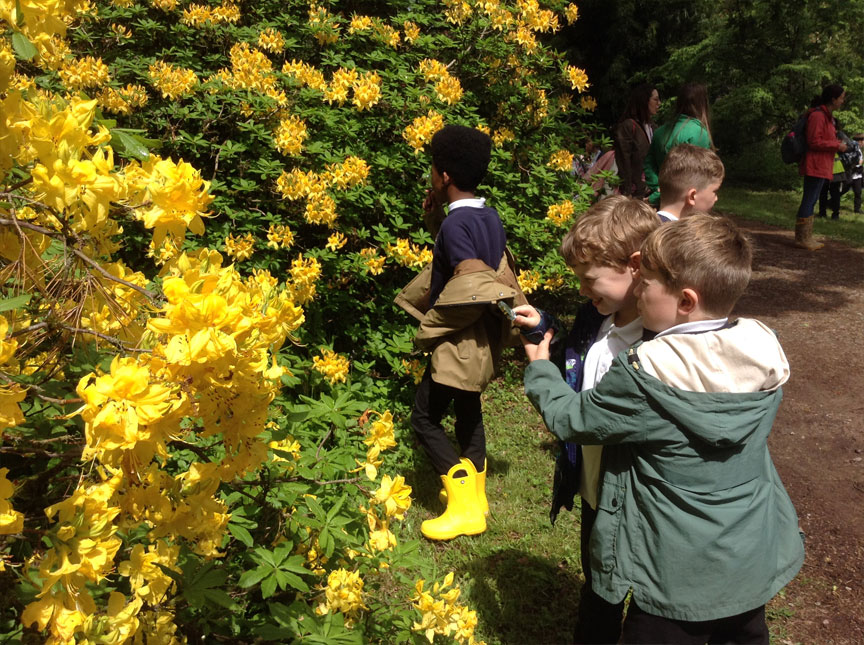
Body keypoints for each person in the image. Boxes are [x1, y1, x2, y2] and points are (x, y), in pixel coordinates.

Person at [521, 214, 804, 644]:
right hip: (746, 551)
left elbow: (571, 420)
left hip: (673, 568)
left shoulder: (646, 375)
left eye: (646, 282)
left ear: (686, 301)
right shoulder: (761, 353)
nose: (638, 287)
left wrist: (541, 369)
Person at [512, 195, 659, 644]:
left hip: (636, 499)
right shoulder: (599, 316)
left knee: (644, 599)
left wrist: (539, 372)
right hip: (595, 487)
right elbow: (579, 354)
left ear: (635, 266)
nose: (581, 291)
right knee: (598, 584)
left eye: (589, 279)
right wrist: (544, 327)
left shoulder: (658, 345)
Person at [394, 124, 526, 541]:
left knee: (424, 419)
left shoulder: (455, 227)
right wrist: (435, 213)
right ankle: (480, 497)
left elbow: (468, 285)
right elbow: (465, 255)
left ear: (444, 175)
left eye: (433, 168)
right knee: (469, 413)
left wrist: (431, 330)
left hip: (458, 339)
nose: (430, 174)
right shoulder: (488, 217)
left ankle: (464, 505)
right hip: (482, 339)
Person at [794, 84, 847, 249]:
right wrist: (836, 145)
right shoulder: (818, 116)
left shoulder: (827, 116)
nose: (842, 101)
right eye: (841, 98)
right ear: (833, 99)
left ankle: (807, 236)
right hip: (814, 164)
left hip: (822, 165)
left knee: (813, 199)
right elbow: (814, 141)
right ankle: (802, 238)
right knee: (809, 199)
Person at [643, 83, 713, 206]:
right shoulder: (699, 132)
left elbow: (649, 164)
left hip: (664, 203)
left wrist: (658, 190)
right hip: (685, 205)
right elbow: (695, 176)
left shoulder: (660, 131)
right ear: (702, 104)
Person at [656, 143, 725, 222]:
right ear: (692, 196)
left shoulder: (644, 228)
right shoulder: (680, 234)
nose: (716, 198)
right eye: (715, 191)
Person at [614, 84, 660, 198]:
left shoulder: (653, 128)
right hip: (635, 194)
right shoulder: (628, 126)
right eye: (655, 99)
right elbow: (624, 160)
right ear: (644, 101)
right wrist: (627, 191)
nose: (659, 103)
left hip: (652, 191)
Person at [817, 127, 855, 220]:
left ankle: (835, 214)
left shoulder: (839, 134)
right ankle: (822, 213)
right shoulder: (823, 132)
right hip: (824, 166)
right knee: (823, 191)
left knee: (835, 192)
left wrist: (838, 146)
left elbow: (850, 147)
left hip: (836, 168)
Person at [848, 133, 864, 215]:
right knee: (843, 190)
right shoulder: (853, 148)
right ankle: (830, 203)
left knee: (858, 192)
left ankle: (857, 209)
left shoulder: (859, 150)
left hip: (858, 175)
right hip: (851, 173)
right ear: (860, 141)